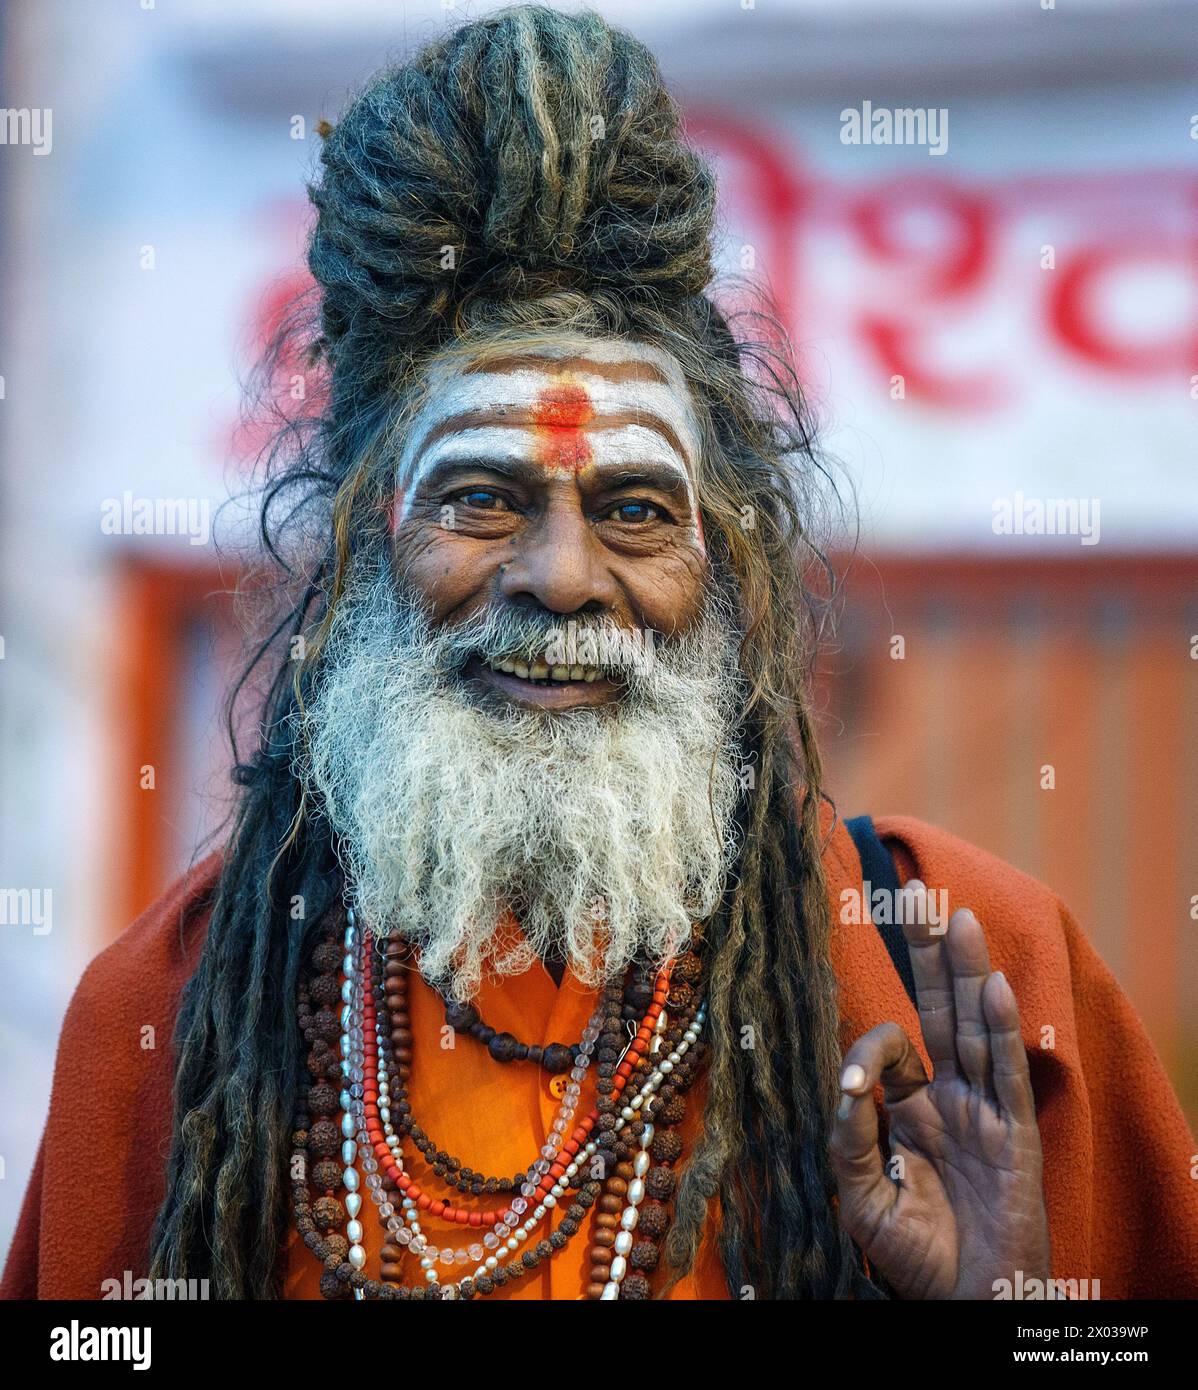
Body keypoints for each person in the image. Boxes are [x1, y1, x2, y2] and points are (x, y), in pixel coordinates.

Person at [3, 4, 1195, 1301]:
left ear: (727, 566)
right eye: (480, 500)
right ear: (361, 550)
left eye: (633, 509)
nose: (561, 579)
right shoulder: (175, 1007)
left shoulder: (974, 975)